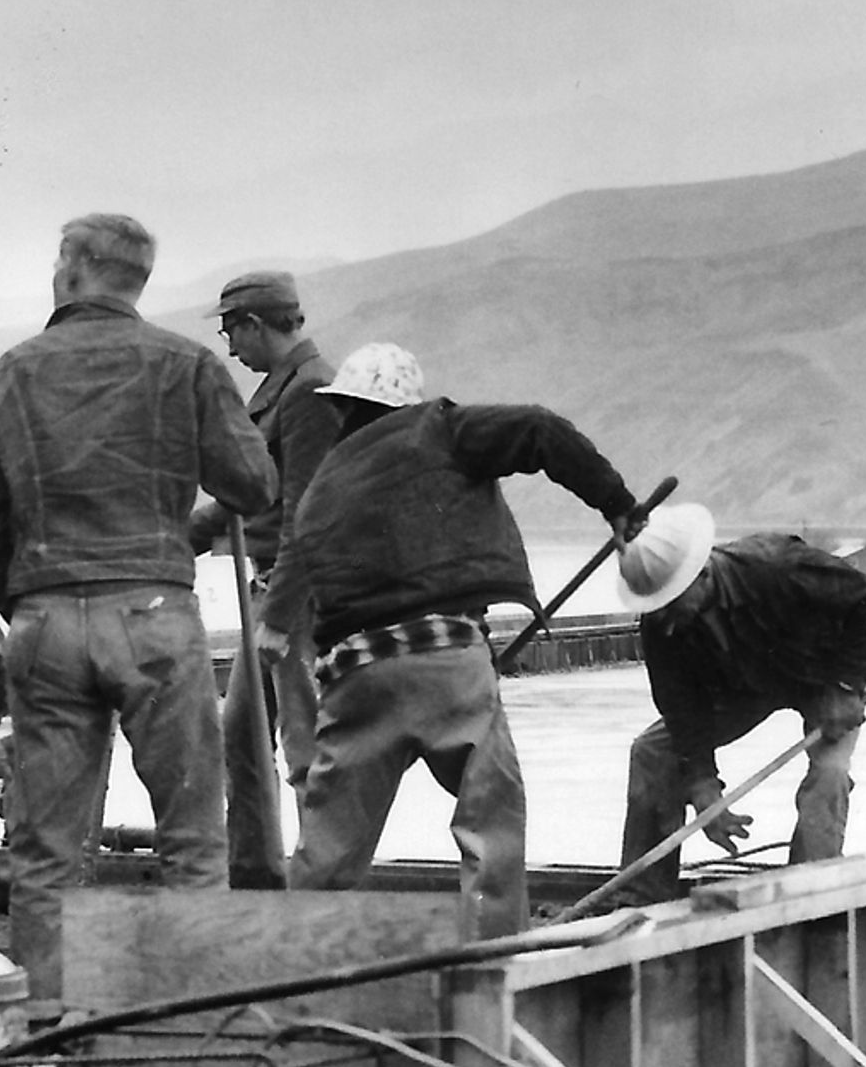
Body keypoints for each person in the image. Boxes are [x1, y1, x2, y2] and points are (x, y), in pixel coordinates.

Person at [0, 212, 269, 996]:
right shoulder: (187, 365)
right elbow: (254, 487)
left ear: (70, 266)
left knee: (46, 852)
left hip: (44, 618)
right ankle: (197, 1012)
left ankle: (46, 1034)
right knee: (194, 838)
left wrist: (21, 597)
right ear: (137, 280)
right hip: (156, 612)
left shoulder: (6, 373)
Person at [275, 343, 646, 937]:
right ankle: (492, 959)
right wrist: (617, 504)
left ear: (344, 409)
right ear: (404, 402)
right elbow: (540, 429)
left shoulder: (324, 486)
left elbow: (321, 600)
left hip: (354, 677)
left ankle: (287, 959)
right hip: (447, 659)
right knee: (489, 822)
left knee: (329, 848)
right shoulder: (439, 430)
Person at [605, 510, 866, 903]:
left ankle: (809, 896)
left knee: (830, 774)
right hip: (746, 684)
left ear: (702, 574)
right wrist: (704, 784)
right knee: (652, 752)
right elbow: (682, 712)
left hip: (823, 673)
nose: (667, 622)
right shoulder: (663, 623)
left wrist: (845, 686)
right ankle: (642, 897)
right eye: (657, 609)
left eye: (672, 605)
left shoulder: (779, 567)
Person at [182, 266, 341, 886]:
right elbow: (249, 499)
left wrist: (279, 617)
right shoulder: (284, 389)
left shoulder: (310, 392)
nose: (229, 347)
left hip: (296, 598)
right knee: (242, 737)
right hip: (270, 589)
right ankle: (253, 876)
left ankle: (317, 884)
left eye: (231, 332)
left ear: (254, 324)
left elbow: (307, 511)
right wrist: (176, 542)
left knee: (306, 754)